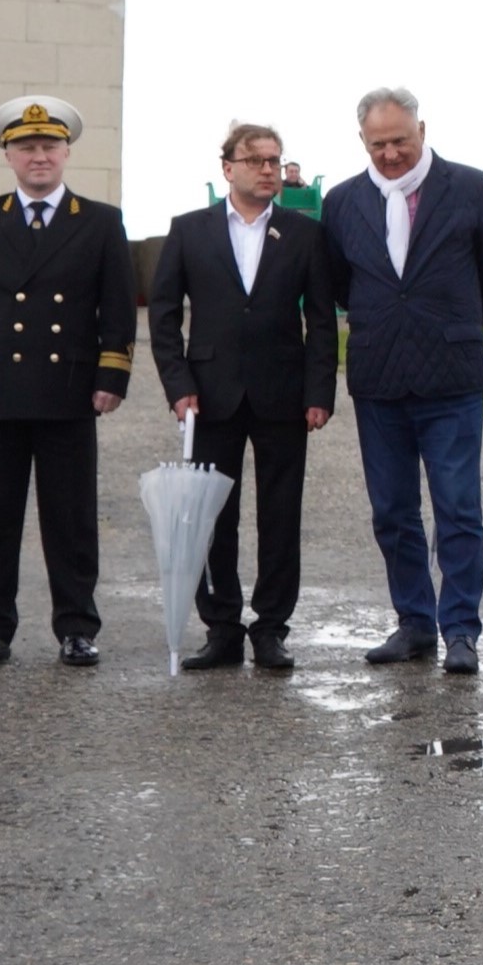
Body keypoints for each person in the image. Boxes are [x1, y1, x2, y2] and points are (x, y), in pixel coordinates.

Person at [0, 97, 136, 669]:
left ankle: (76, 627)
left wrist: (111, 374)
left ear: (67, 152)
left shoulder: (99, 221)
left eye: (49, 146)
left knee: (70, 519)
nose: (38, 156)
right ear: (9, 156)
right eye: (26, 148)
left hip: (69, 389)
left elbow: (117, 308)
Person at [319, 88, 483, 673]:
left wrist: (449, 324)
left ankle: (460, 630)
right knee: (393, 511)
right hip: (379, 378)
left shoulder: (472, 188)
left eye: (400, 140)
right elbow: (337, 281)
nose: (391, 153)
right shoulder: (342, 202)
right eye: (378, 144)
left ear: (421, 131)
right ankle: (413, 622)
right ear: (363, 142)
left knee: (457, 508)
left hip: (451, 377)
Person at [149, 121, 337, 671]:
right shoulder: (190, 231)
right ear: (227, 167)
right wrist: (178, 386)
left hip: (283, 393)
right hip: (210, 395)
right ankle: (222, 627)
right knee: (210, 515)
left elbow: (321, 322)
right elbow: (163, 317)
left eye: (275, 161)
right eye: (255, 160)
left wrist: (319, 390)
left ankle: (272, 627)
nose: (267, 170)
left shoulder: (305, 235)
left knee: (280, 515)